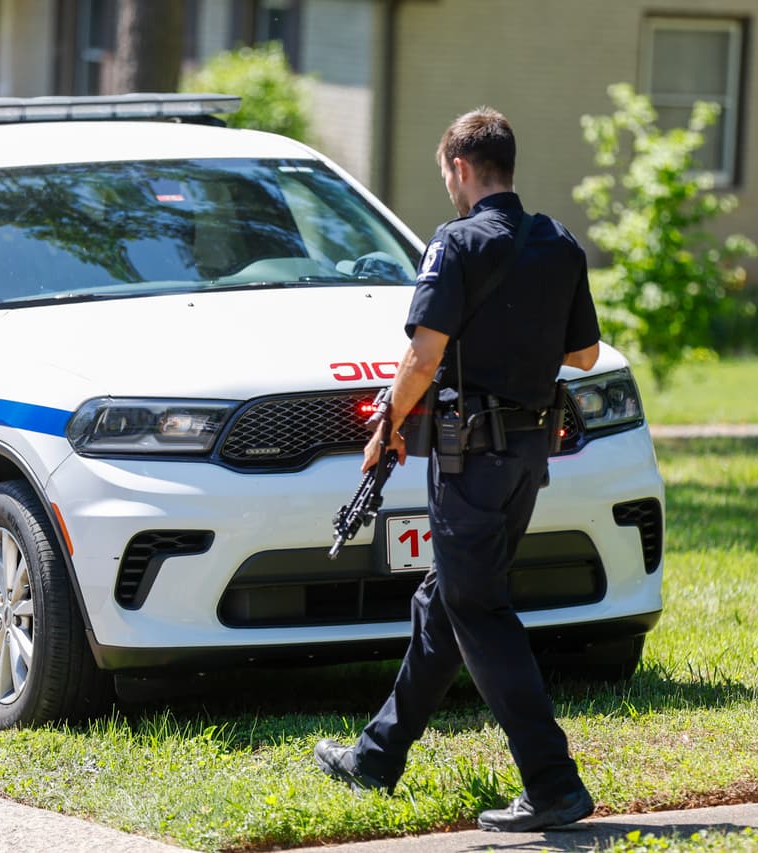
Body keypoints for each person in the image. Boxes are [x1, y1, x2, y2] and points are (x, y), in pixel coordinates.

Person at [314, 107, 602, 832]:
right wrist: (515, 339)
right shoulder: (558, 243)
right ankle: (377, 755)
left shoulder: (457, 243)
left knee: (478, 608)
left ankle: (553, 781)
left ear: (462, 169)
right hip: (528, 457)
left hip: (470, 458)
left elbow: (423, 354)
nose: (448, 182)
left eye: (447, 171)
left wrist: (385, 427)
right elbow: (585, 354)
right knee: (445, 602)